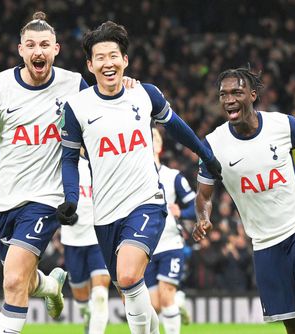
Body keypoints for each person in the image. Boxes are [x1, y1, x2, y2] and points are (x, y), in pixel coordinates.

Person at [0, 11, 139, 334]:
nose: (38, 51)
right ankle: (48, 286)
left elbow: (106, 101)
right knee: (21, 276)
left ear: (56, 50)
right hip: (5, 199)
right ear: (21, 50)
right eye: (31, 44)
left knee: (13, 280)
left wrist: (127, 85)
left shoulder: (73, 84)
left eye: (45, 45)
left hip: (47, 198)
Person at [58, 21, 221, 334]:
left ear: (125, 60)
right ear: (90, 65)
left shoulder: (145, 95)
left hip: (146, 202)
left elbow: (176, 127)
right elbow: (68, 159)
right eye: (100, 57)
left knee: (131, 277)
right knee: (129, 290)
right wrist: (71, 198)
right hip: (104, 214)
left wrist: (206, 155)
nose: (109, 63)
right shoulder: (76, 108)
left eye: (114, 56)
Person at [192, 67, 295, 334]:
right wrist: (203, 218)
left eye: (237, 92)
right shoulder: (213, 144)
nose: (229, 99)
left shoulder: (283, 125)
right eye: (223, 94)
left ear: (252, 95)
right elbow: (204, 194)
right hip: (264, 241)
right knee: (294, 327)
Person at [144, 128, 194, 334]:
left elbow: (196, 208)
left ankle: (173, 300)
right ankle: (178, 300)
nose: (150, 141)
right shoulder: (133, 179)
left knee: (165, 297)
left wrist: (181, 211)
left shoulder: (173, 177)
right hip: (146, 247)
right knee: (153, 305)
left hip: (170, 245)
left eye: (154, 138)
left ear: (159, 145)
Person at [61, 149, 111, 334]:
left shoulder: (104, 161)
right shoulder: (66, 163)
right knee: (81, 299)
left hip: (99, 238)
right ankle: (88, 314)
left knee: (99, 295)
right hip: (72, 239)